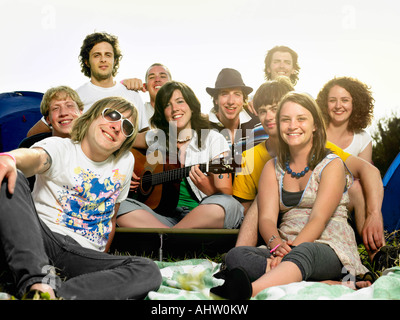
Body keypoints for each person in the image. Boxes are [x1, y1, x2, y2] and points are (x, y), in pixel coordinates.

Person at [211, 92, 370, 300]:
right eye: (286, 119)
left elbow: (318, 219)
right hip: (285, 244)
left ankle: (248, 292)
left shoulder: (332, 164)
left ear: (314, 125)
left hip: (328, 246)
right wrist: (276, 244)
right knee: (236, 255)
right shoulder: (272, 168)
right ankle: (322, 282)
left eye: (301, 119)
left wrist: (292, 252)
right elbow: (267, 218)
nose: (292, 125)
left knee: (306, 253)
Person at [0, 96, 162, 299]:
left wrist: (101, 259)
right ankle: (38, 283)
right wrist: (11, 159)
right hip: (40, 237)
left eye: (127, 126)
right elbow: (37, 158)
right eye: (112, 115)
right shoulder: (61, 146)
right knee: (11, 175)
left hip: (81, 253)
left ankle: (59, 295)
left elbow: (112, 215)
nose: (117, 126)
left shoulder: (125, 161)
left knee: (147, 269)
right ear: (91, 118)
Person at [116, 81, 244, 229]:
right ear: (161, 113)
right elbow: (121, 139)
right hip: (162, 217)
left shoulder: (214, 138)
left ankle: (168, 236)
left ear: (191, 106)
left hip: (200, 215)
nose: (174, 109)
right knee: (120, 205)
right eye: (167, 105)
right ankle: (176, 236)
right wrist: (125, 168)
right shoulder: (156, 137)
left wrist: (209, 190)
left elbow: (226, 192)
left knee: (228, 205)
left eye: (180, 102)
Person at [27, 32, 149, 137]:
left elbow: (145, 134)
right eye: (97, 55)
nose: (103, 59)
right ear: (87, 62)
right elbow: (33, 134)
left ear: (115, 60)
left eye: (108, 55)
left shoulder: (131, 94)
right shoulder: (75, 98)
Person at [233, 77, 295, 214]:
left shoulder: (312, 145)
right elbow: (245, 209)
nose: (268, 117)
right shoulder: (248, 157)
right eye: (262, 111)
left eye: (275, 109)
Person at [18, 86, 84, 190]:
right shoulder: (30, 145)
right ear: (48, 119)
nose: (63, 113)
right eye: (55, 108)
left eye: (69, 105)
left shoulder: (93, 145)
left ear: (81, 112)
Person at [206, 68, 266, 169]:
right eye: (224, 94)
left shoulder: (258, 124)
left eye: (237, 94)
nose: (231, 101)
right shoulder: (205, 130)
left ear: (244, 99)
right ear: (216, 99)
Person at [316, 76, 374, 163]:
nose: (338, 106)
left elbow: (364, 173)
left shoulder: (363, 140)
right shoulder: (314, 133)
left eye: (345, 100)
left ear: (355, 104)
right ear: (325, 103)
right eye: (332, 100)